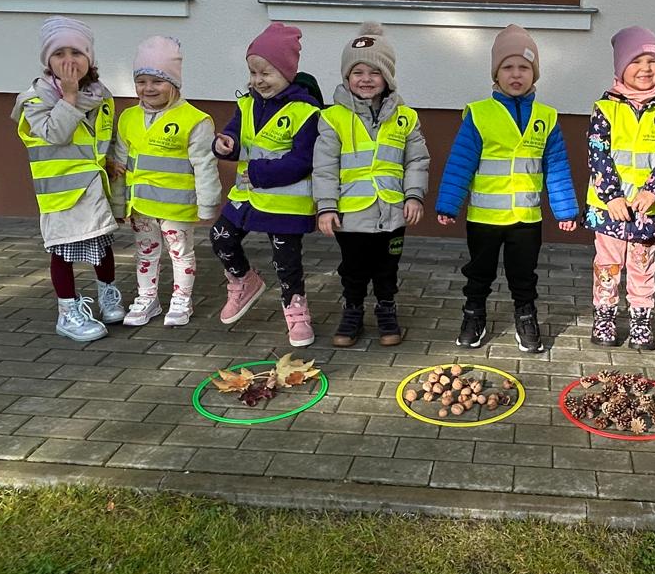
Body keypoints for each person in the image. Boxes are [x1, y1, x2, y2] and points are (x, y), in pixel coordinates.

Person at [435, 24, 578, 352]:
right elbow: (461, 162)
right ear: (496, 74)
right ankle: (474, 314)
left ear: (534, 73)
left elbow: (556, 166)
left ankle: (526, 315)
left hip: (526, 219)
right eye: (508, 67)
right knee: (479, 271)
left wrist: (566, 210)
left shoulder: (547, 117)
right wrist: (448, 204)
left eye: (524, 67)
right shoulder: (479, 114)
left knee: (524, 273)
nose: (516, 74)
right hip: (484, 219)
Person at [313, 22, 430, 348]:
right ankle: (352, 310)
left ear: (388, 76)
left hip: (393, 212)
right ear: (346, 77)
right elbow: (324, 167)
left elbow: (417, 161)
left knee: (386, 268)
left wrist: (414, 196)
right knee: (353, 269)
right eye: (358, 72)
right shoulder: (333, 118)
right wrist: (326, 207)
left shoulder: (405, 117)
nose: (366, 79)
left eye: (375, 72)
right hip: (351, 215)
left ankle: (386, 308)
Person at [209, 23, 324, 348]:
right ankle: (244, 280)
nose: (258, 80)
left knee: (286, 263)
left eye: (266, 73)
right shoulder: (246, 104)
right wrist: (225, 144)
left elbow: (303, 160)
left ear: (287, 72)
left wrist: (260, 172)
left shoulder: (305, 112)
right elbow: (234, 134)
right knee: (220, 237)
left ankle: (296, 310)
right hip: (247, 195)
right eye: (253, 72)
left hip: (285, 203)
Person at [10, 16, 122, 343]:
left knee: (101, 243)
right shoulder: (35, 99)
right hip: (62, 193)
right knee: (63, 251)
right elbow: (56, 135)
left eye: (77, 52)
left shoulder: (100, 95)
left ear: (90, 58)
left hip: (93, 187)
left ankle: (108, 295)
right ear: (48, 61)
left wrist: (108, 161)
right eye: (59, 54)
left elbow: (101, 137)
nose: (69, 61)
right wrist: (69, 98)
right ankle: (67, 312)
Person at [108, 36, 221, 328]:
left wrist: (207, 204)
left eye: (157, 81)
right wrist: (118, 205)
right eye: (141, 81)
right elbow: (120, 165)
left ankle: (182, 299)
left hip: (176, 208)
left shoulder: (195, 120)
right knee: (145, 253)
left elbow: (205, 165)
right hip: (141, 207)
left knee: (181, 254)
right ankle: (148, 298)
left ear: (174, 82)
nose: (148, 88)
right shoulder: (128, 118)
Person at [584, 26, 655, 350]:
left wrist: (653, 190)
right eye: (636, 61)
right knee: (607, 266)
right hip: (609, 209)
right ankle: (605, 317)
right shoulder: (606, 107)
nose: (645, 68)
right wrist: (611, 196)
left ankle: (641, 320)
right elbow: (598, 153)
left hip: (646, 210)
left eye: (652, 61)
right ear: (620, 67)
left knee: (642, 266)